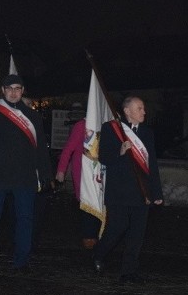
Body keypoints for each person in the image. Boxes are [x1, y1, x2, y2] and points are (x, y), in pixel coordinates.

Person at [0, 74, 52, 272]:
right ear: (3, 90)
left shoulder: (32, 116)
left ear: (23, 90)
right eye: (10, 88)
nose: (14, 92)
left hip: (24, 175)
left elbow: (40, 147)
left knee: (25, 217)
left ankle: (21, 259)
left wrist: (45, 173)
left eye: (18, 88)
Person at [92, 96, 164, 284]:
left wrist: (156, 193)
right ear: (127, 111)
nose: (144, 112)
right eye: (139, 108)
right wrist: (120, 151)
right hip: (119, 192)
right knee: (117, 227)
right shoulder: (112, 129)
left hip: (142, 191)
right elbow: (103, 157)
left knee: (137, 233)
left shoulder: (147, 133)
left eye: (143, 108)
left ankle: (128, 271)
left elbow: (152, 164)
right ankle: (98, 253)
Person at [55, 118, 102, 249]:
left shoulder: (105, 125)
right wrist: (61, 170)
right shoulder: (81, 126)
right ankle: (89, 238)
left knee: (99, 205)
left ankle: (97, 235)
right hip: (83, 174)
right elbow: (68, 149)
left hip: (100, 174)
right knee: (87, 204)